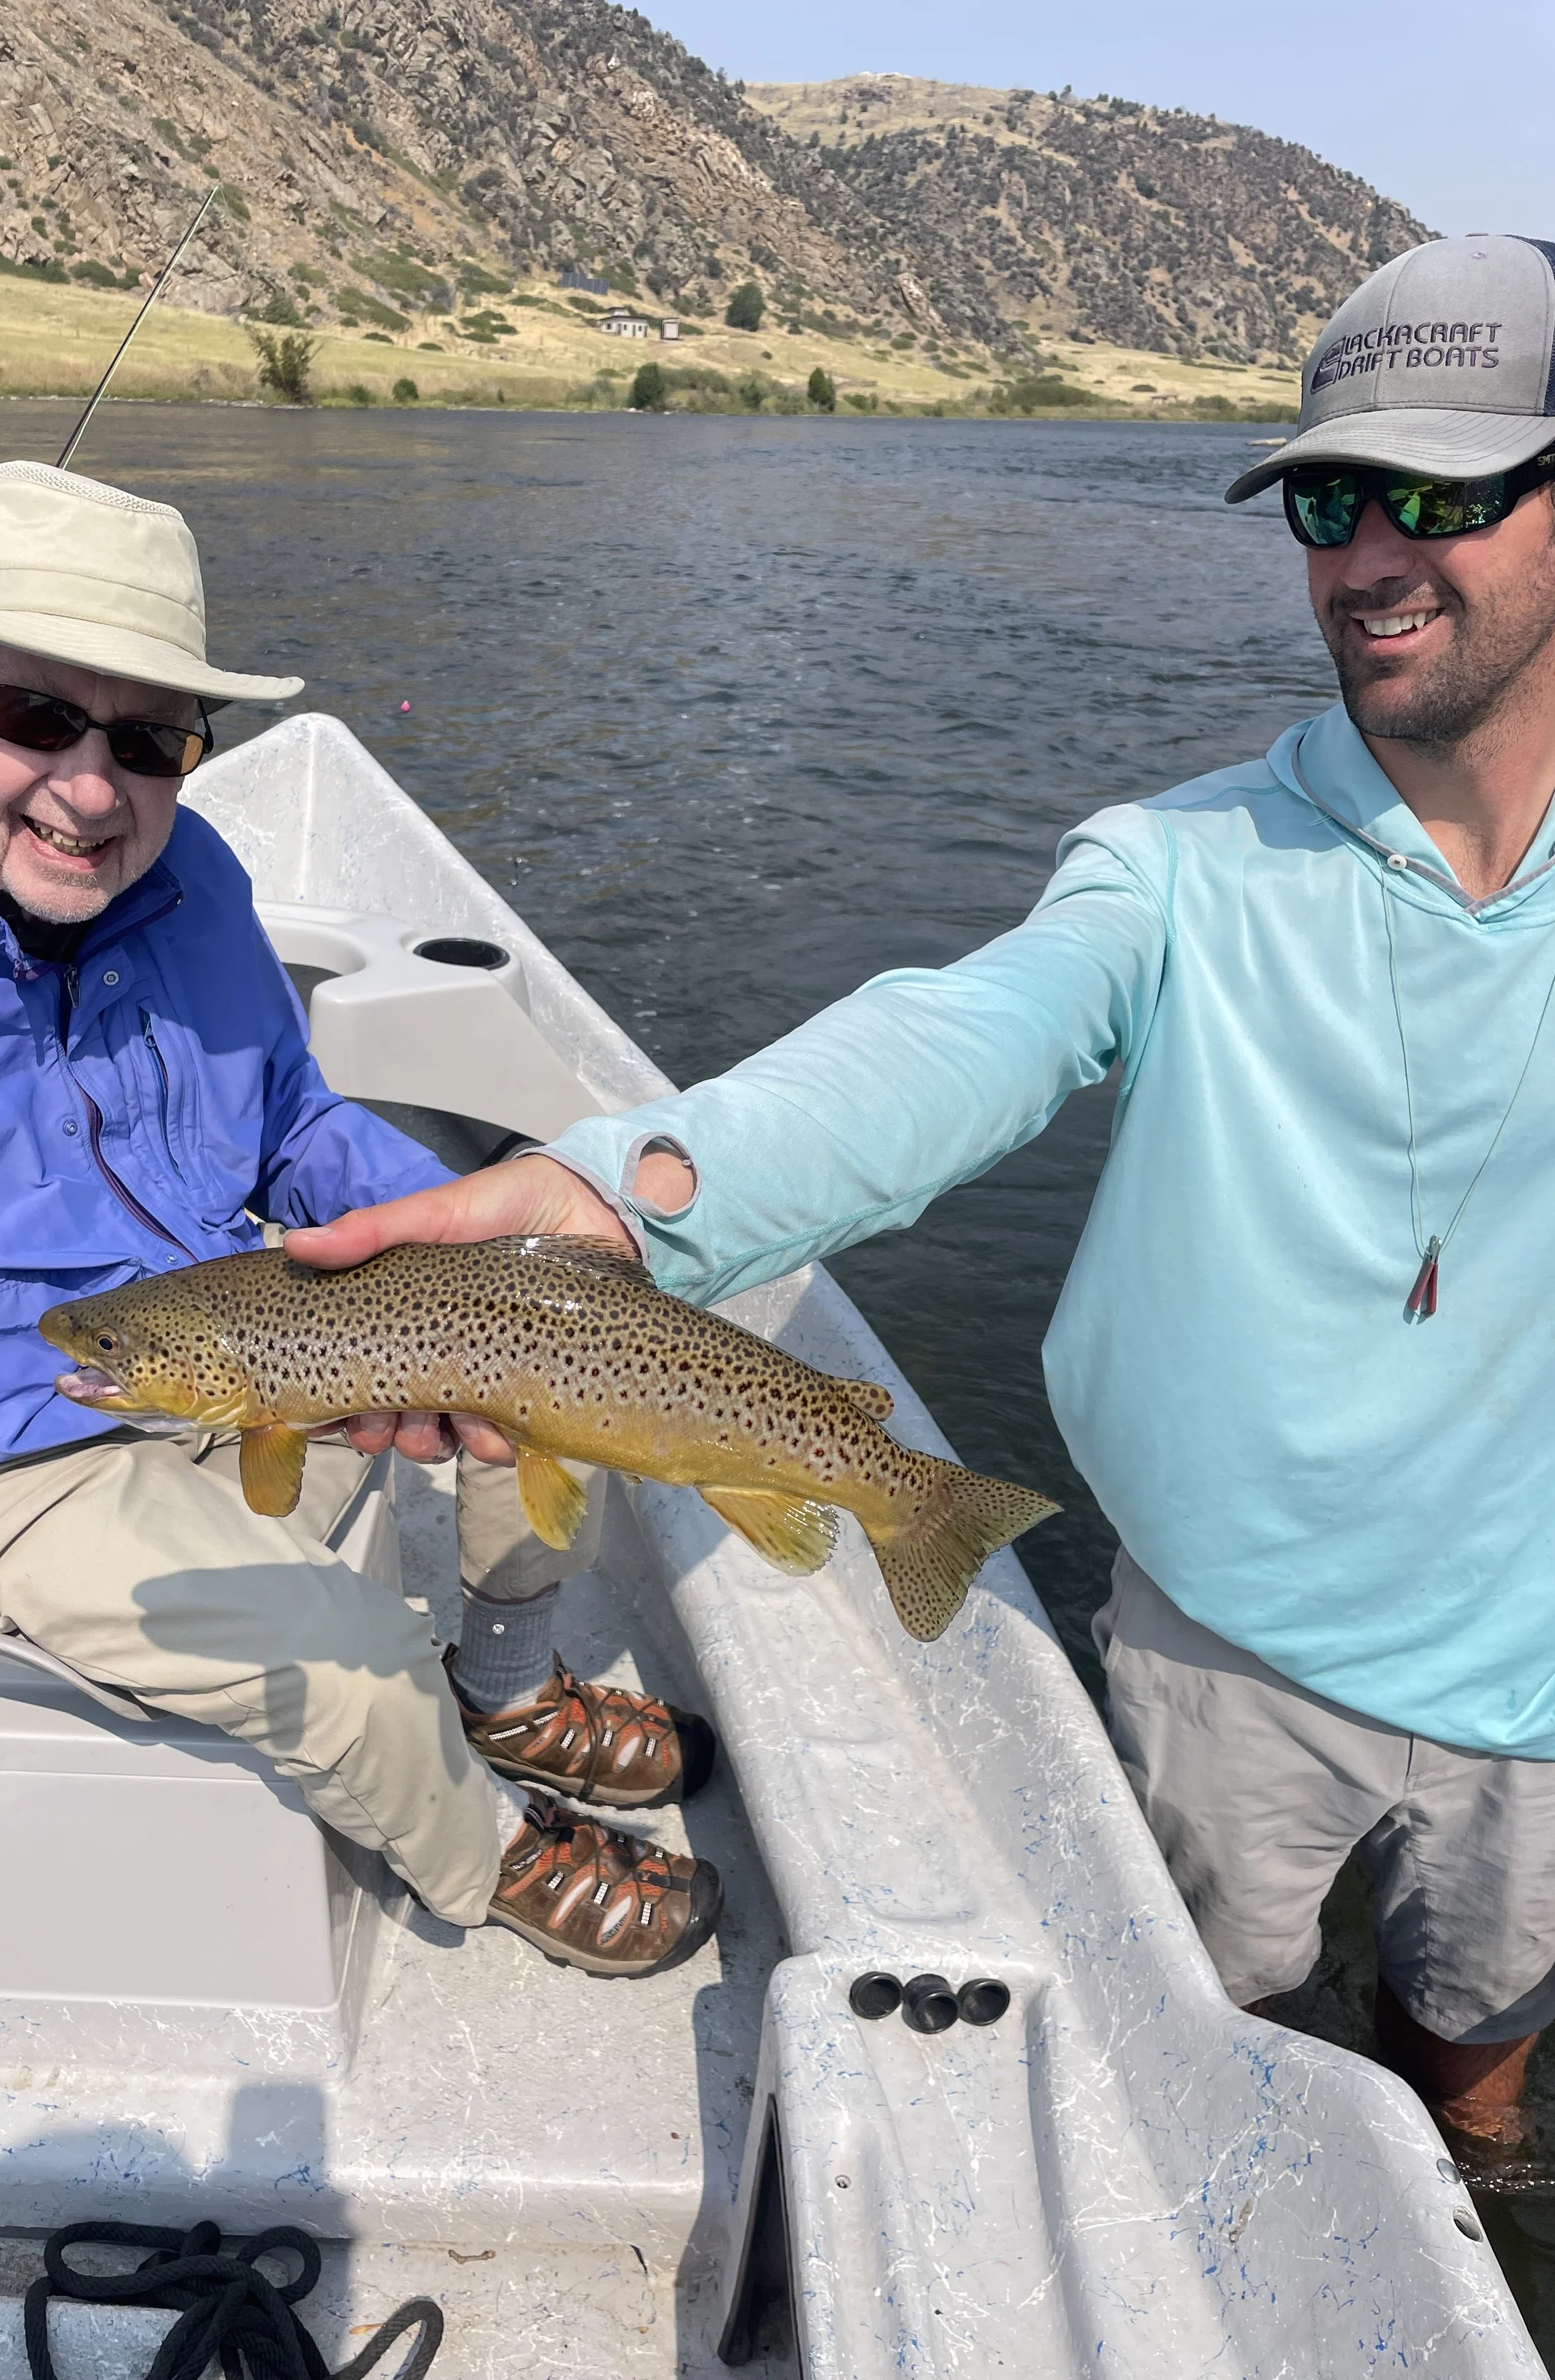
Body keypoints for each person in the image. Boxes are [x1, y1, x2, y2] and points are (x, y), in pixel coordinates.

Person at [292, 234, 1555, 2145]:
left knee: (1471, 2054)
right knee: (1227, 2066)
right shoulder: (1173, 866)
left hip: (1537, 1672)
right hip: (1224, 1641)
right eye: (1326, 495)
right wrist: (618, 1199)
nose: (1370, 551)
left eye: (1440, 494)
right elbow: (954, 1038)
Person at [0, 457, 721, 1979]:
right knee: (344, 1668)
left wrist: (468, 1235)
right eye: (33, 717)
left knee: (559, 1351)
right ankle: (489, 1846)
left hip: (206, 1328)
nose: (91, 789)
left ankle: (509, 1682)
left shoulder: (192, 870)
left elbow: (286, 1126)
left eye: (148, 736)